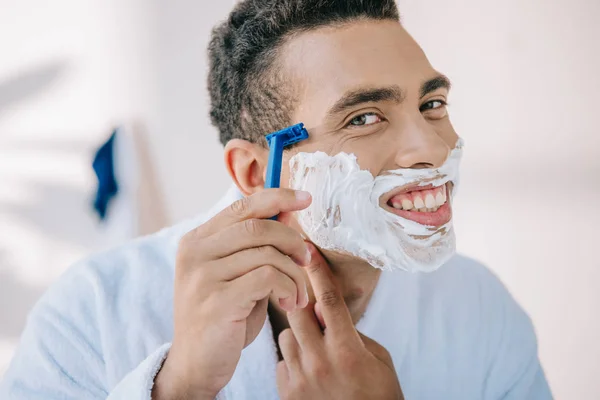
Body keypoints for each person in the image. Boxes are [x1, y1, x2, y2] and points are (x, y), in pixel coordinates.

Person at [0, 0, 553, 399]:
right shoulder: (92, 311)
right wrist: (181, 388)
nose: (431, 146)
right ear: (255, 170)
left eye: (432, 103)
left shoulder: (482, 312)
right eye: (364, 117)